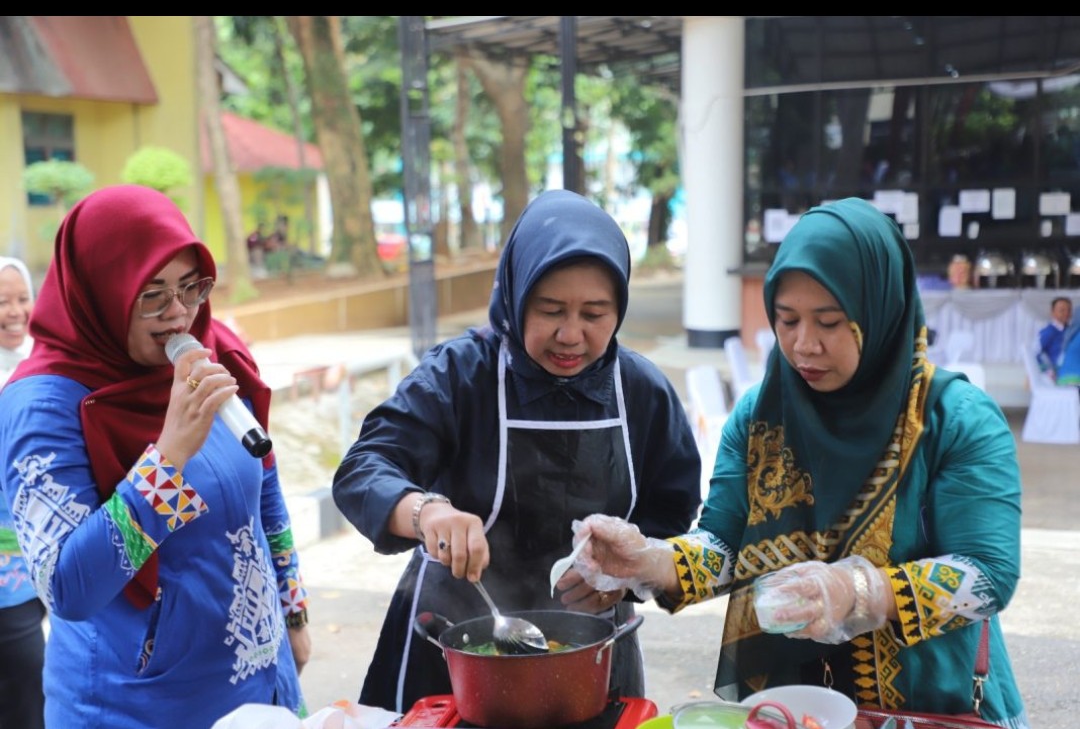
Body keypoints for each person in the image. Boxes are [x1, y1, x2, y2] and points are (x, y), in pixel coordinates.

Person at [575, 197, 1029, 727]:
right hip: (798, 711)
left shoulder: (953, 419)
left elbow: (989, 573)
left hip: (932, 706)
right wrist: (650, 561)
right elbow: (725, 546)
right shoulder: (760, 416)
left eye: (830, 322)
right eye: (786, 320)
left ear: (879, 311)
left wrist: (862, 591)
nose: (804, 345)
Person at [331, 188, 702, 714]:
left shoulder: (641, 391)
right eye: (550, 310)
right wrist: (425, 511)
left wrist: (627, 579)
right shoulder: (461, 374)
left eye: (594, 313)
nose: (570, 334)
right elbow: (363, 468)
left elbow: (672, 514)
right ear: (516, 295)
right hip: (454, 647)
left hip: (591, 655)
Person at [0, 185, 312, 728]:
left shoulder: (211, 353)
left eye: (192, 287)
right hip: (137, 704)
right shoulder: (44, 405)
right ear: (102, 292)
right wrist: (168, 459)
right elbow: (67, 589)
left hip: (260, 680)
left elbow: (263, 488)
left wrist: (293, 609)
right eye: (152, 294)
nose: (179, 313)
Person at [0, 255, 46, 729]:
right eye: (1, 302)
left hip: (37, 565)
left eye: (22, 299)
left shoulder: (41, 367)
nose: (15, 312)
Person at [1036, 295, 1072, 379]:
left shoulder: (1070, 330)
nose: (1066, 313)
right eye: (1062, 310)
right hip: (1062, 373)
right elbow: (1035, 353)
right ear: (1053, 312)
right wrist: (1047, 371)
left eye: (1069, 310)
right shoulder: (1048, 332)